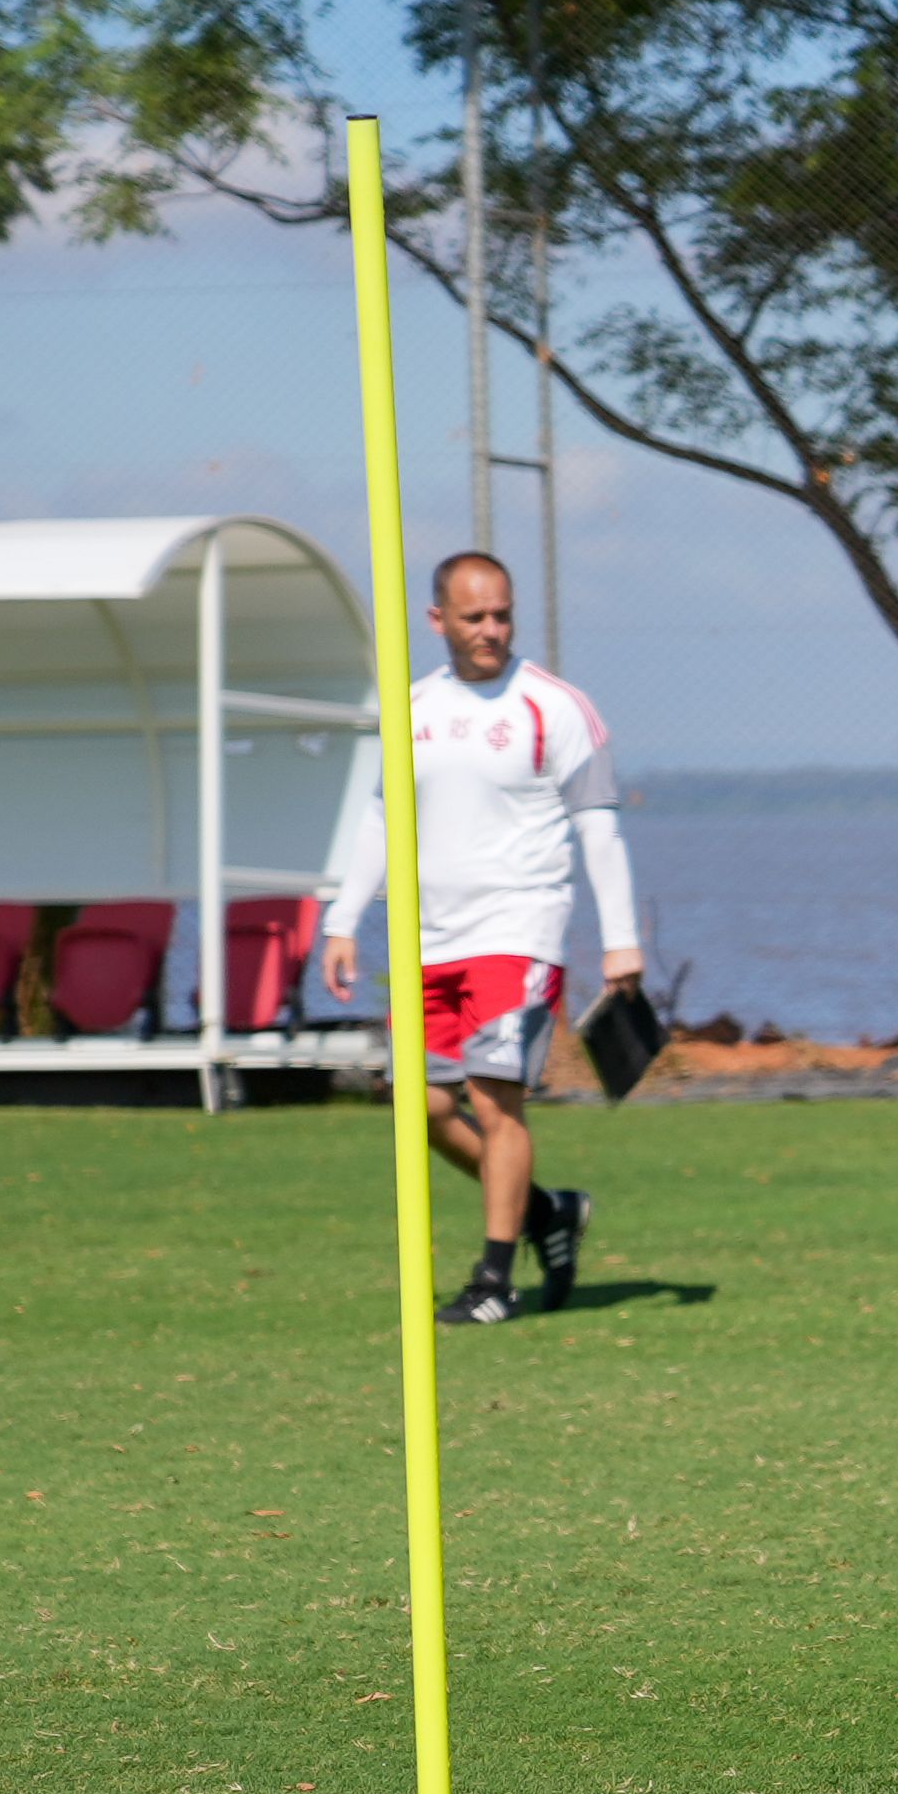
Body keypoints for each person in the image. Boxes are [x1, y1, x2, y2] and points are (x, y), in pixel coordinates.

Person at [321, 551, 645, 1326]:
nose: (491, 630)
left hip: (520, 932)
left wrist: (622, 940)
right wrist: (341, 919)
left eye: (502, 614)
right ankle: (545, 1213)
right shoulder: (412, 710)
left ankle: (494, 1280)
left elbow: (598, 827)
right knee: (419, 1107)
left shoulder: (555, 707)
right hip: (433, 942)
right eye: (474, 618)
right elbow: (379, 818)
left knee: (496, 1098)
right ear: (438, 621)